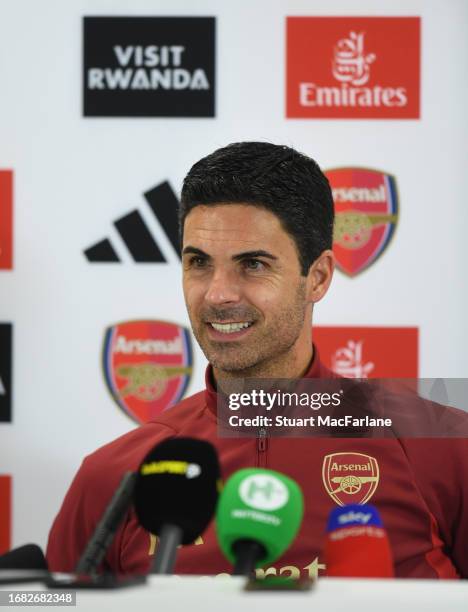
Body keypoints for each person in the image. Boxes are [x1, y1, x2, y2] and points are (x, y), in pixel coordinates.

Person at [47, 142, 468, 579]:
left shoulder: (437, 446)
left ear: (318, 277)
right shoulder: (115, 476)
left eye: (252, 264)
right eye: (198, 262)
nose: (217, 294)